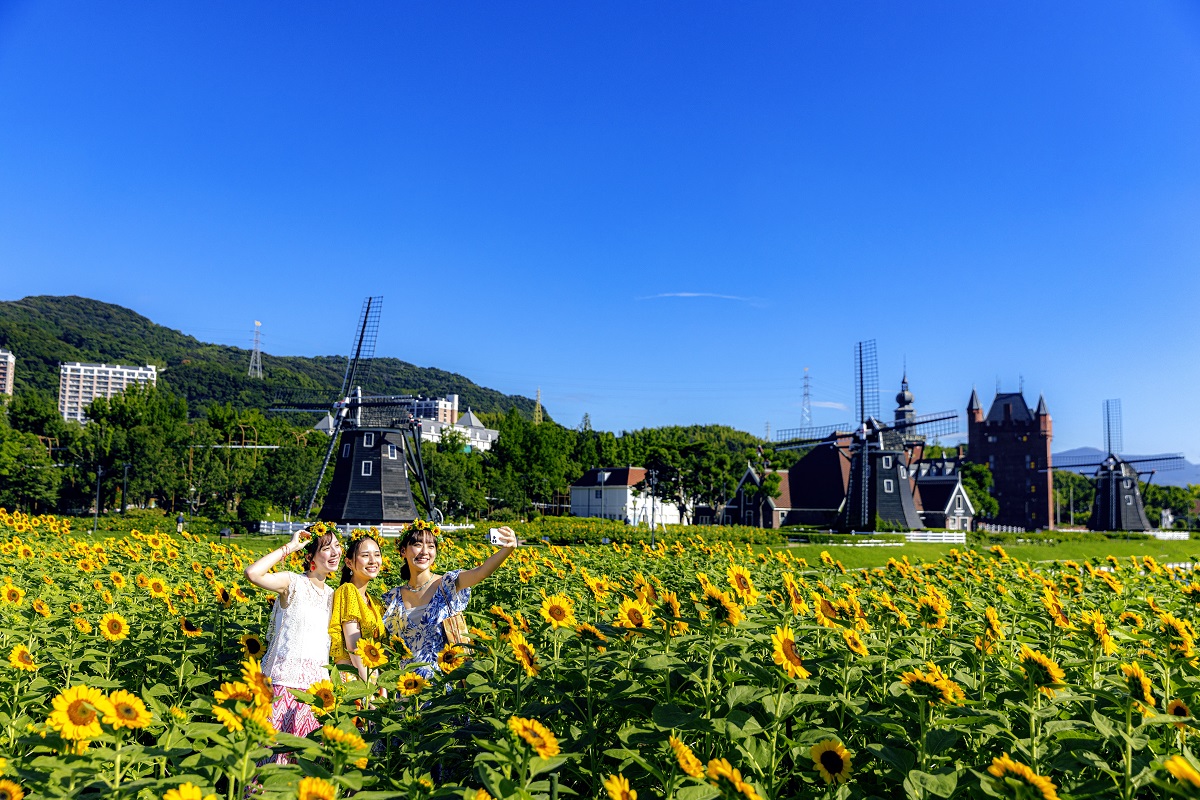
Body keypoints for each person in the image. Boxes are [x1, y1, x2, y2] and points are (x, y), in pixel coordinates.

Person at [242, 524, 342, 760]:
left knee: (303, 765)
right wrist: (290, 547)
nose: (335, 552)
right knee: (270, 761)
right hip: (281, 685)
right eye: (327, 548)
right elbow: (253, 574)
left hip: (316, 692)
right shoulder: (293, 583)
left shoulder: (333, 595)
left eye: (337, 546)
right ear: (310, 556)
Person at [382, 521, 518, 678]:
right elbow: (387, 647)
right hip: (406, 689)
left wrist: (507, 550)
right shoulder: (392, 598)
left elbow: (481, 572)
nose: (424, 551)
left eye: (431, 546)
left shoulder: (447, 584)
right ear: (403, 551)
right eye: (418, 545)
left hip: (443, 687)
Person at [329, 529, 386, 683]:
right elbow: (354, 646)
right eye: (365, 555)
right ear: (349, 562)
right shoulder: (348, 591)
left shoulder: (373, 601)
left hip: (371, 674)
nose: (373, 561)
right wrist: (369, 689)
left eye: (377, 554)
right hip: (353, 677)